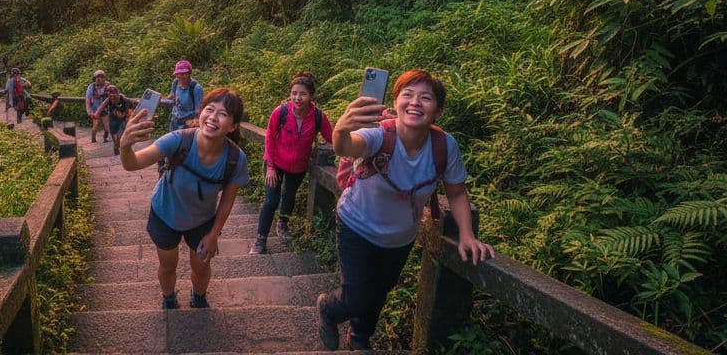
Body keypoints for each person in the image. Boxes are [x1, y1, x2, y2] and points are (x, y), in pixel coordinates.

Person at [316, 69, 494, 351]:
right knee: (358, 296)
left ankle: (360, 337)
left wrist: (467, 235)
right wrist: (341, 129)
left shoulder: (444, 147)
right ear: (396, 101)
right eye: (407, 95)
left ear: (438, 110)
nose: (415, 102)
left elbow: (457, 193)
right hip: (356, 225)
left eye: (426, 98)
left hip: (400, 237)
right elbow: (348, 146)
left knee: (380, 292)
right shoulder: (378, 134)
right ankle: (328, 308)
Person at [119, 87, 250, 309]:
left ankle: (199, 297)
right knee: (168, 264)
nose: (213, 117)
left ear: (233, 125)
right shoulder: (177, 140)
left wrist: (213, 235)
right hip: (165, 214)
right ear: (200, 112)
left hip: (202, 221)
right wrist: (125, 145)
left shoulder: (236, 159)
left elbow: (227, 200)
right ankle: (168, 297)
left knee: (201, 265)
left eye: (223, 114)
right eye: (209, 109)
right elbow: (132, 164)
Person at [254, 71, 334, 254]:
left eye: (303, 94)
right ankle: (260, 239)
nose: (298, 98)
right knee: (271, 199)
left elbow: (332, 137)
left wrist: (350, 142)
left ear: (311, 96)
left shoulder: (318, 116)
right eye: (294, 93)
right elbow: (269, 139)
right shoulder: (281, 112)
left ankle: (282, 223)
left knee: (289, 196)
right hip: (275, 161)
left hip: (298, 166)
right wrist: (271, 167)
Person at [167, 60, 204, 132]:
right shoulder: (176, 82)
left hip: (188, 122)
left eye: (184, 73)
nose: (180, 76)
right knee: (173, 141)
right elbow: (172, 97)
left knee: (185, 142)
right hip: (175, 119)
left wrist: (195, 121)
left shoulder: (196, 88)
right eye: (178, 73)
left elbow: (199, 109)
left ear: (189, 73)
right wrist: (159, 99)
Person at [103, 84, 130, 155]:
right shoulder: (108, 100)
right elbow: (101, 107)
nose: (112, 96)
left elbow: (133, 103)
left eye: (114, 93)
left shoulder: (124, 99)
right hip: (113, 120)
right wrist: (96, 113)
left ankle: (120, 148)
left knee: (119, 136)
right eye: (110, 94)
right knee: (114, 137)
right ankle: (116, 147)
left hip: (122, 120)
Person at [86, 69, 110, 143]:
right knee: (95, 125)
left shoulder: (107, 86)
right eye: (98, 77)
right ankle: (93, 138)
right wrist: (89, 110)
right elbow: (88, 99)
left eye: (102, 77)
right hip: (95, 109)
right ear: (95, 78)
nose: (100, 79)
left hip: (104, 108)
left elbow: (111, 96)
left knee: (106, 125)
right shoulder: (91, 87)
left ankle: (105, 138)